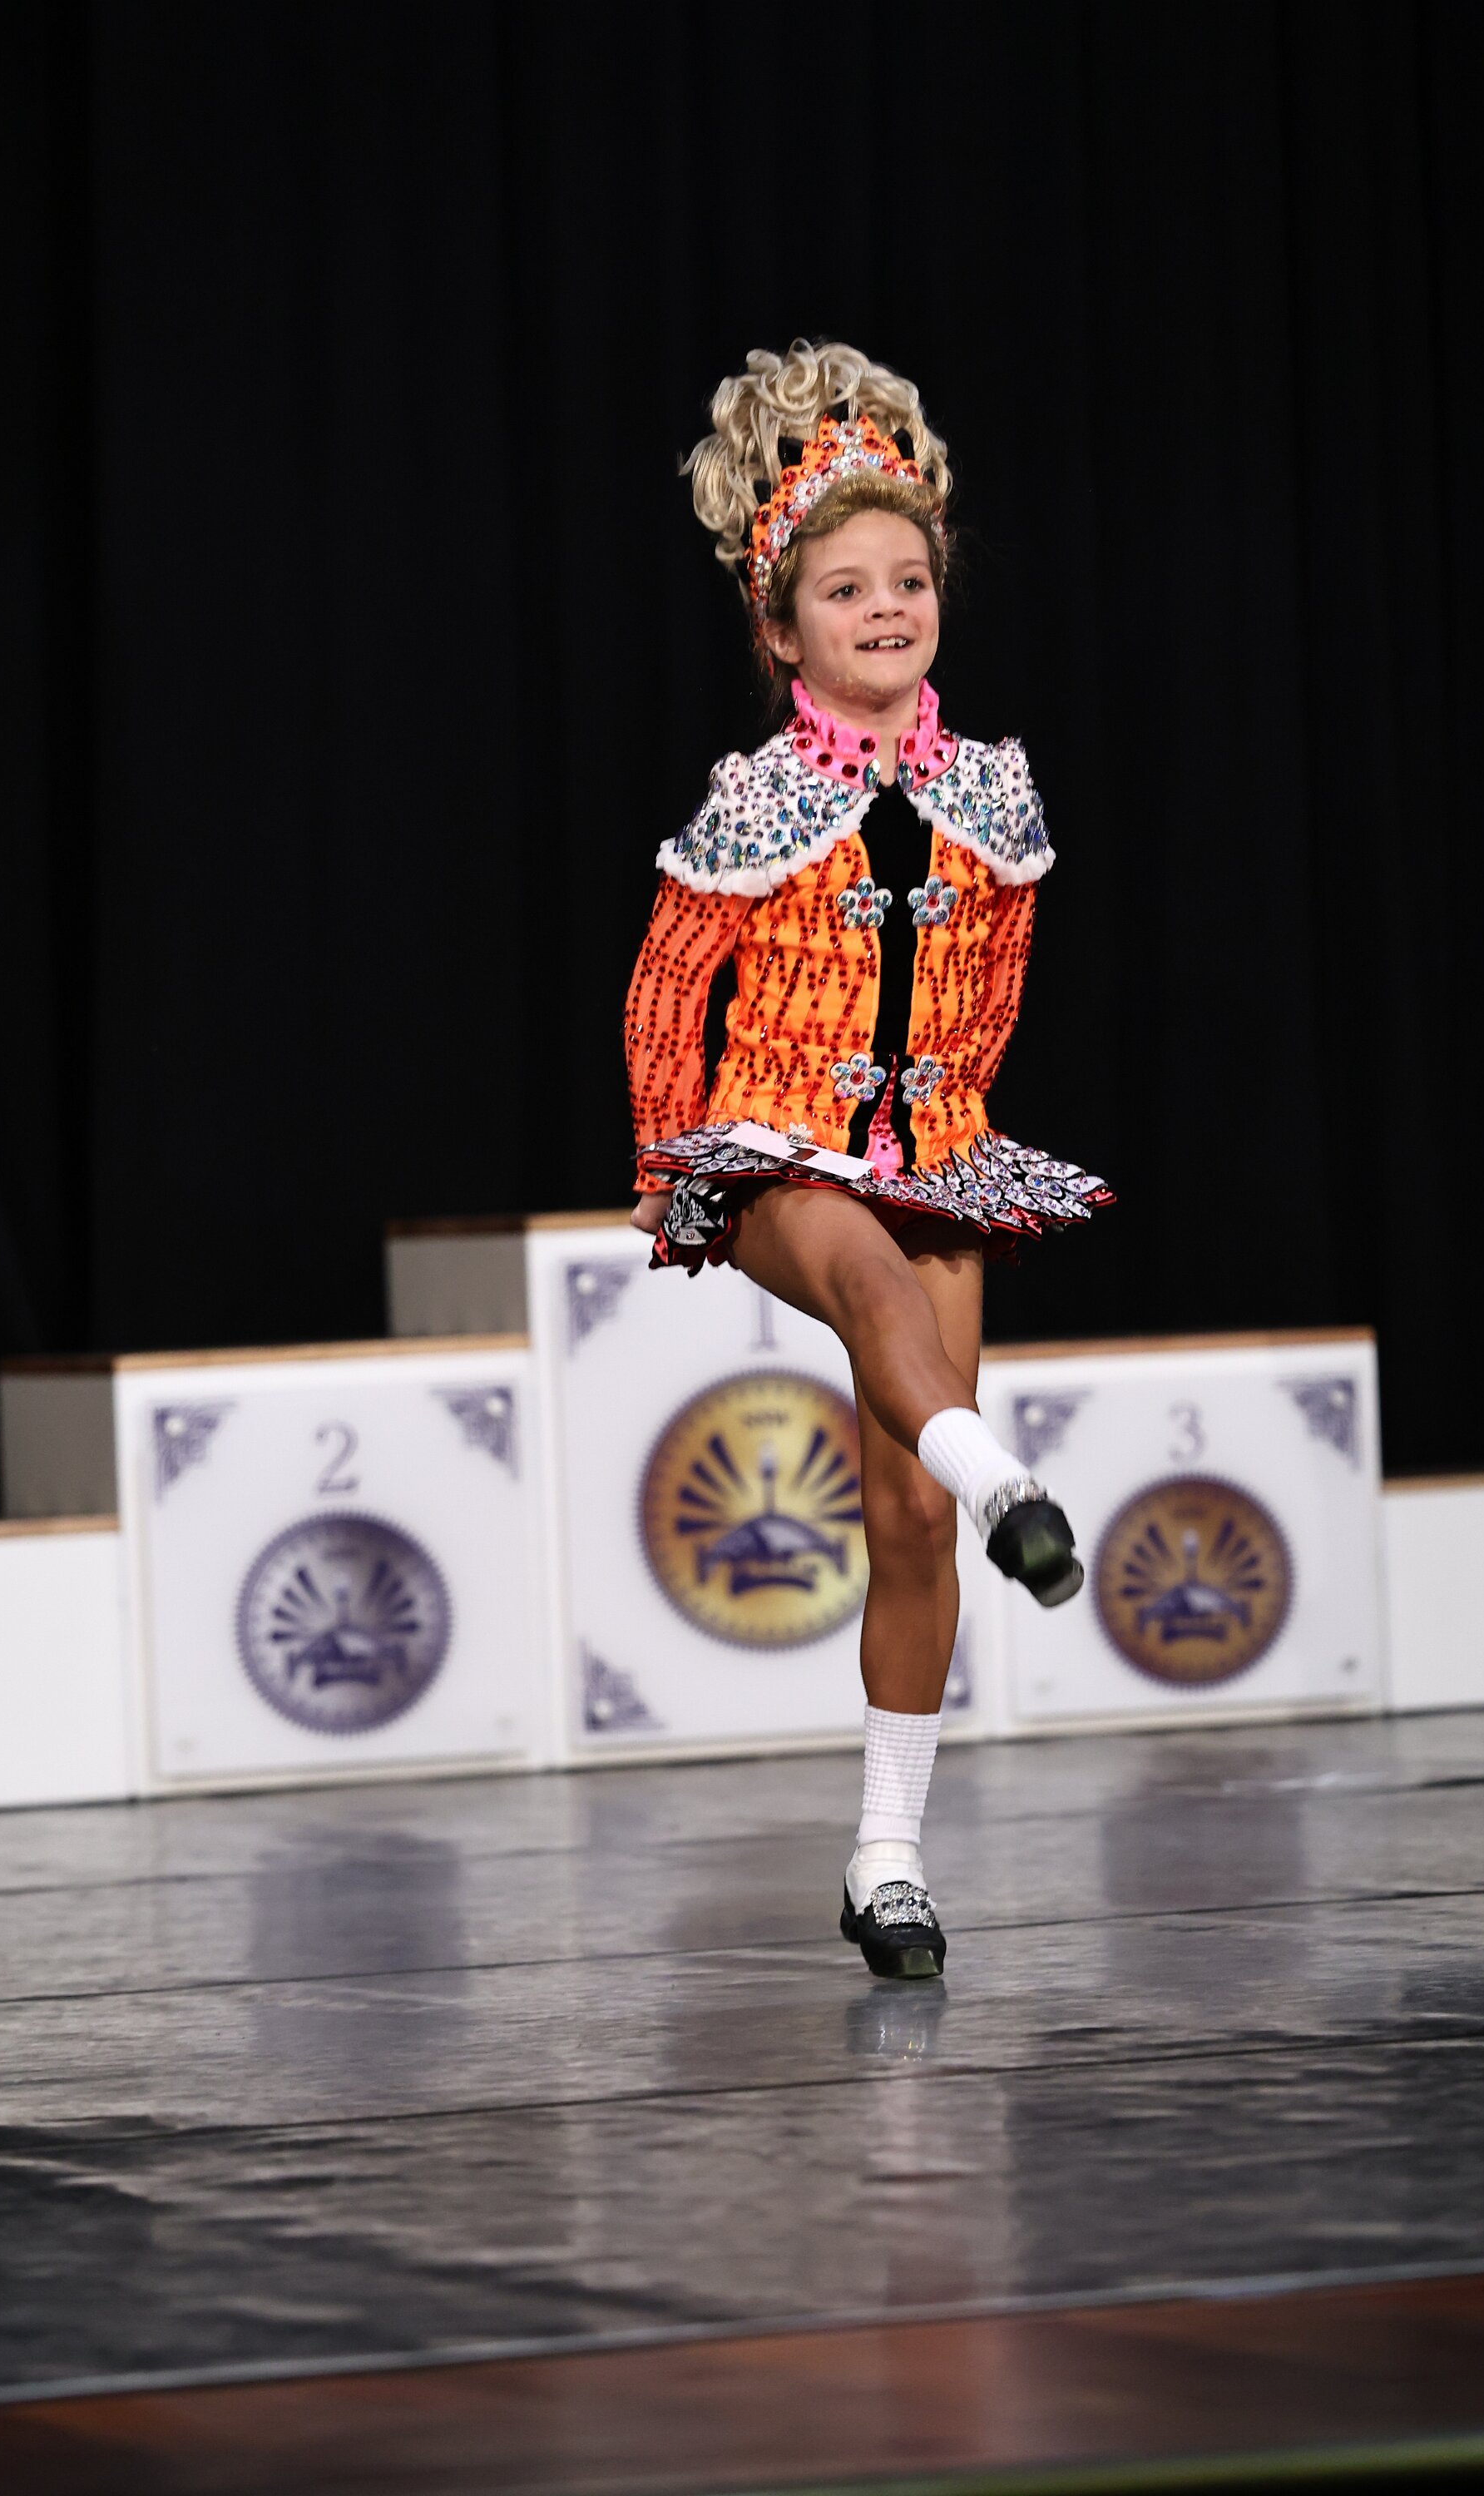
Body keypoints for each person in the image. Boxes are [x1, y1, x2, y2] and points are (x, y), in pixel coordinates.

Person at [625, 341, 1113, 1980]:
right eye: (847, 592)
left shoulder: (993, 792)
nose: (887, 609)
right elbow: (665, 984)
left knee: (906, 1518)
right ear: (783, 631)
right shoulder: (758, 799)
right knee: (862, 1278)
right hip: (775, 1143)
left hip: (939, 1153)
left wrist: (954, 1118)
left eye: (909, 582)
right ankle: (1014, 1488)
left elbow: (998, 982)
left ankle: (886, 1860)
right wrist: (664, 1154)